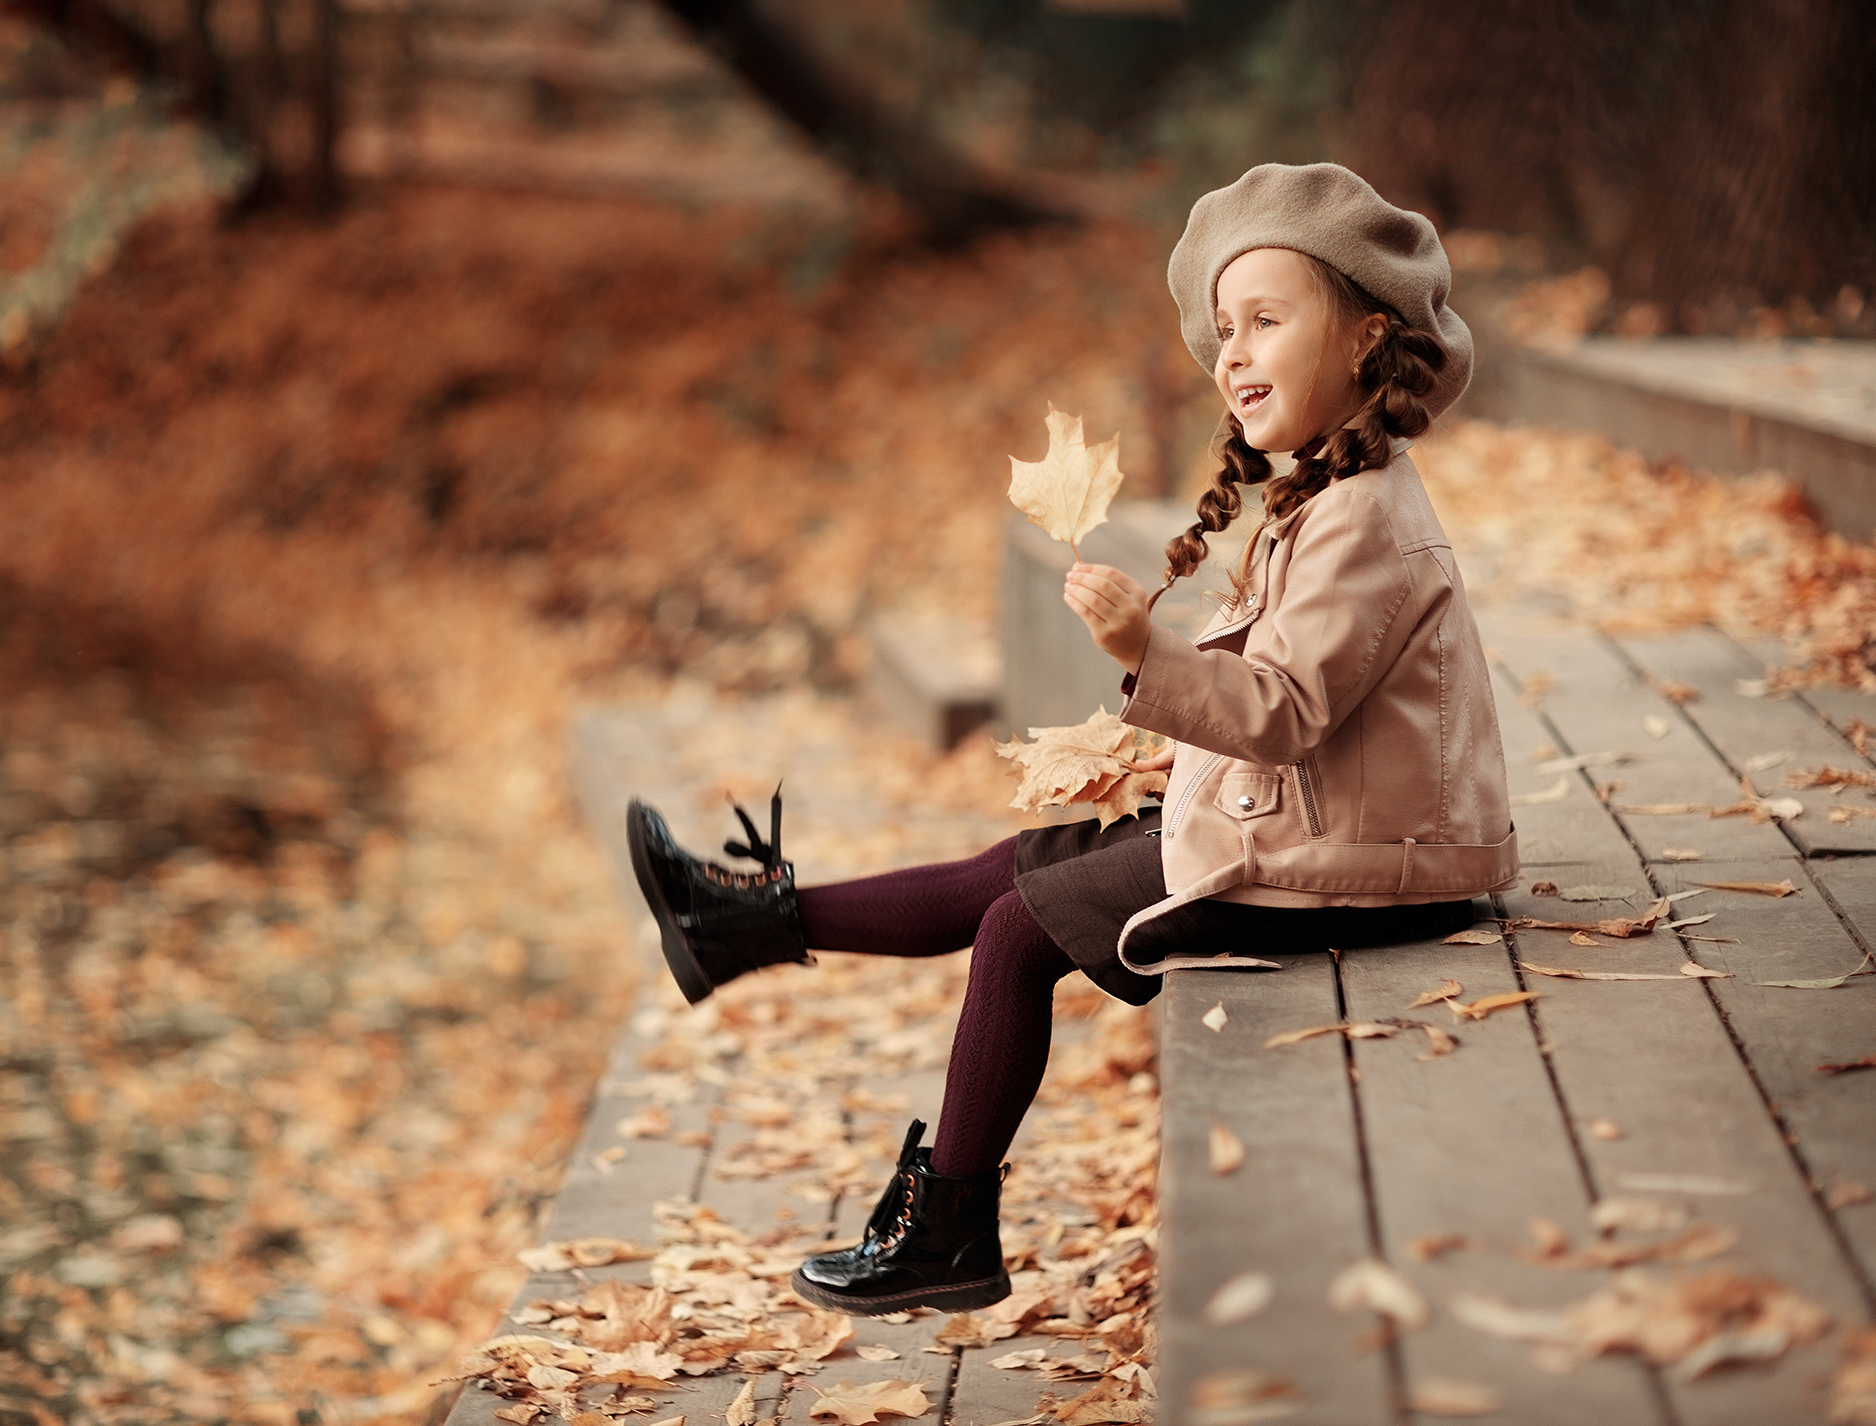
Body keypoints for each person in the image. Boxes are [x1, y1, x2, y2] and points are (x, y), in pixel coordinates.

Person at [624, 162, 1519, 1316]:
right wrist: (1159, 751)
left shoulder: (1362, 520)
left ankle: (948, 1229)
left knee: (1015, 931)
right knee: (1019, 864)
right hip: (1332, 828)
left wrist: (1144, 651)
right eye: (1220, 333)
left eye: (1264, 322)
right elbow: (1286, 708)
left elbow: (1284, 713)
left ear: (1362, 340)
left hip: (1367, 867)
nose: (1231, 354)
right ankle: (737, 923)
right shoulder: (1326, 491)